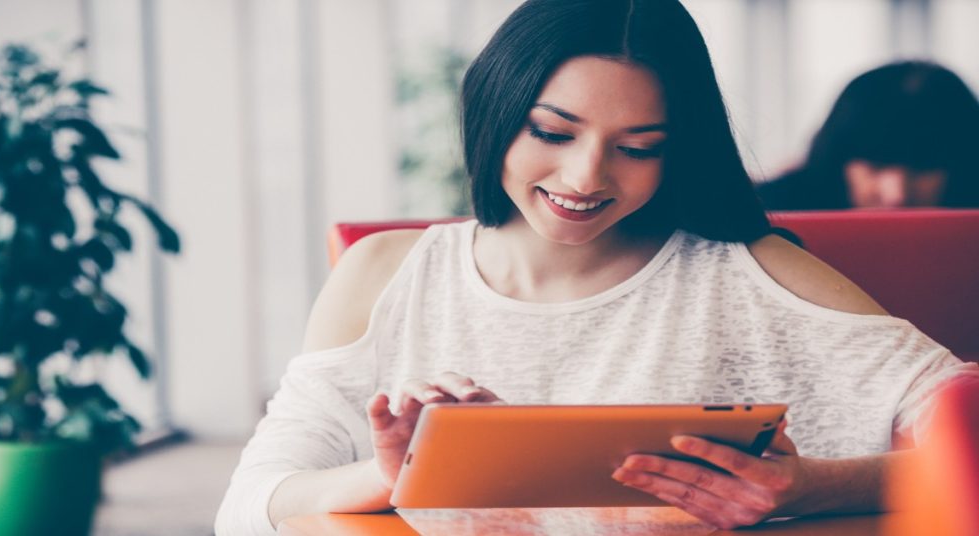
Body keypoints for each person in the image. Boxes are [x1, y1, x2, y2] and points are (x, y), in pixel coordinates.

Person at [215, 1, 978, 534]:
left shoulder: (753, 275)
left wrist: (808, 487)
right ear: (495, 110)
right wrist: (398, 476)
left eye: (638, 146)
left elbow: (968, 436)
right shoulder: (387, 273)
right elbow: (247, 506)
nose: (585, 177)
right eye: (552, 130)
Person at [757, 61, 979, 210]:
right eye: (876, 166)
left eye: (923, 167)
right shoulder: (769, 212)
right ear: (836, 158)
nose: (897, 195)